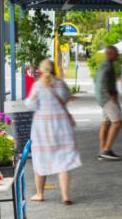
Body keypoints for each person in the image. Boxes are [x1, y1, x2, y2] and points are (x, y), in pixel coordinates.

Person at [25, 59, 81, 205]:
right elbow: (67, 98)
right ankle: (65, 195)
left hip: (43, 127)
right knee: (64, 161)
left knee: (40, 158)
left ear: (41, 71)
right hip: (62, 126)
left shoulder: (38, 85)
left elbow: (30, 105)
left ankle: (39, 194)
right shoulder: (61, 84)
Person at [95, 46, 122, 161]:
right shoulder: (107, 66)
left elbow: (96, 80)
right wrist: (111, 96)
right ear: (110, 53)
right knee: (117, 122)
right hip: (106, 98)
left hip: (101, 97)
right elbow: (104, 81)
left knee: (106, 123)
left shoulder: (104, 64)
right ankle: (107, 149)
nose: (117, 55)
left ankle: (102, 150)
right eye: (116, 53)